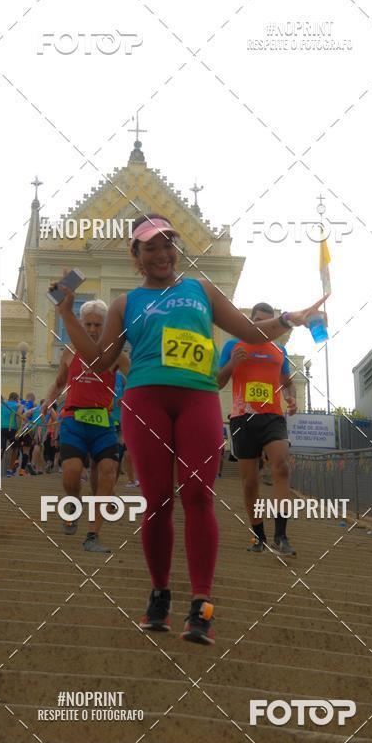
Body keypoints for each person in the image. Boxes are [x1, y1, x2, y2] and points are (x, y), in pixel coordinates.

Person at [54, 214, 326, 646]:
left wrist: (291, 318)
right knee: (158, 500)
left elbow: (253, 332)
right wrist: (66, 313)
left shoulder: (201, 289)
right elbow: (100, 361)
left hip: (198, 397)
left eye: (168, 244)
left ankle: (202, 604)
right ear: (137, 256)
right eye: (151, 247)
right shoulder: (126, 303)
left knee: (199, 494)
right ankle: (159, 593)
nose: (162, 253)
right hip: (146, 400)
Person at [45, 300, 129, 553]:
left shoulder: (115, 354)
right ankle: (73, 500)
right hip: (73, 420)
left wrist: (133, 395)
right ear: (81, 324)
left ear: (105, 328)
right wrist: (48, 400)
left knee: (107, 472)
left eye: (98, 325)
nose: (92, 329)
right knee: (71, 473)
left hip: (103, 423)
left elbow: (137, 376)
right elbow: (59, 383)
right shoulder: (70, 352)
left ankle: (93, 535)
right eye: (88, 324)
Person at [218, 302, 300, 556]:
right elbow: (217, 381)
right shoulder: (233, 345)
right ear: (250, 322)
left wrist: (291, 397)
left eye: (267, 321)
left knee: (282, 466)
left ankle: (281, 536)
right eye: (256, 321)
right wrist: (231, 364)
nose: (261, 326)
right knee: (250, 482)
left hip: (273, 417)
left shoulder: (279, 350)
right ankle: (259, 537)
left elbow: (287, 382)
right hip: (243, 418)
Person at [0, 392, 22, 475]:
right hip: (12, 428)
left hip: (1, 428)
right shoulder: (18, 405)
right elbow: (18, 416)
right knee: (15, 448)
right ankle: (10, 469)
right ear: (17, 398)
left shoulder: (2, 404)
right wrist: (19, 429)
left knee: (1, 448)